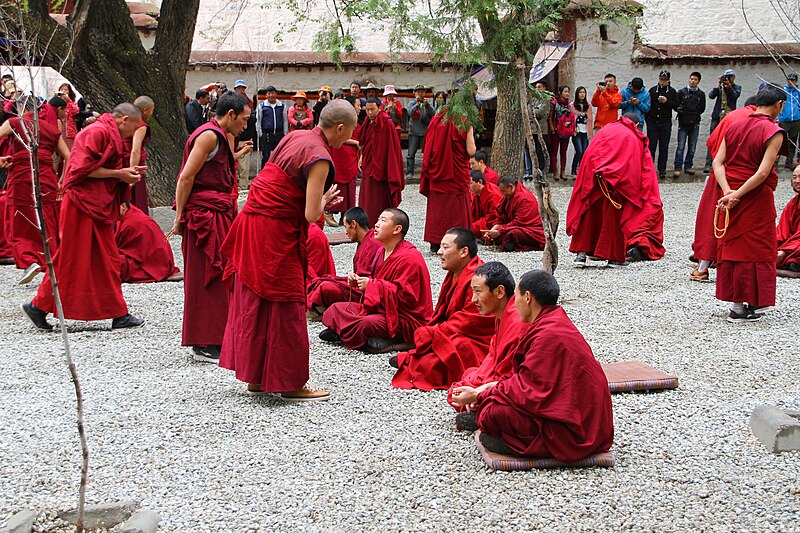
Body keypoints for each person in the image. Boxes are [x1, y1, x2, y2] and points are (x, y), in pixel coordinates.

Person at [219, 99, 356, 401]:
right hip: (276, 232)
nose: (348, 140)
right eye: (349, 134)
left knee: (256, 300)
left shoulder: (296, 135)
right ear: (341, 128)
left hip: (252, 222)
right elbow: (310, 214)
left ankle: (256, 377)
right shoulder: (320, 156)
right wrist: (325, 202)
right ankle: (290, 382)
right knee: (287, 302)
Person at [451, 270, 613, 461]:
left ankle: (531, 444)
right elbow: (528, 380)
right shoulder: (551, 321)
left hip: (576, 429)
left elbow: (529, 389)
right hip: (580, 417)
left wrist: (481, 394)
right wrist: (488, 388)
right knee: (490, 403)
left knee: (493, 413)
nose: (514, 303)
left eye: (517, 296)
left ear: (527, 297)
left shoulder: (547, 334)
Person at [22, 103, 146, 331]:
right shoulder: (95, 132)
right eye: (135, 127)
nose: (134, 133)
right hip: (81, 204)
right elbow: (79, 170)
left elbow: (101, 169)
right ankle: (38, 306)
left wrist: (125, 176)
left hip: (95, 204)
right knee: (71, 257)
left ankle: (118, 313)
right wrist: (119, 174)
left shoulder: (110, 133)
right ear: (125, 120)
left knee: (105, 258)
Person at [170, 91, 251, 363]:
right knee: (206, 277)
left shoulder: (220, 136)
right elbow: (186, 177)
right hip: (204, 217)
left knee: (219, 276)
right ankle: (204, 342)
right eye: (244, 119)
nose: (245, 125)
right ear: (230, 114)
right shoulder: (207, 136)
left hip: (216, 212)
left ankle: (216, 335)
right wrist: (179, 217)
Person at [713, 85, 786, 323]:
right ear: (779, 105)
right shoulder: (773, 131)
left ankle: (736, 305)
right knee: (757, 246)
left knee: (734, 246)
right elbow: (763, 172)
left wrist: (727, 191)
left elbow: (718, 162)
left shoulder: (733, 124)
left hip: (730, 192)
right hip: (753, 196)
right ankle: (753, 301)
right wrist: (738, 194)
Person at [391, 228, 497, 390]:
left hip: (479, 340)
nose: (440, 252)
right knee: (431, 346)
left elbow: (470, 321)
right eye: (440, 247)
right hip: (457, 332)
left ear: (464, 252)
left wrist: (434, 332)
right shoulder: (456, 272)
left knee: (435, 360)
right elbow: (444, 312)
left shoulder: (477, 278)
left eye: (446, 247)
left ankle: (415, 359)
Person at [320, 208, 433, 353]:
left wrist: (372, 286)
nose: (377, 224)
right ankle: (357, 335)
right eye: (378, 219)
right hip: (382, 310)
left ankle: (354, 334)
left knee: (366, 323)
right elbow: (378, 281)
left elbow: (408, 299)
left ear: (397, 229)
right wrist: (362, 282)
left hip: (405, 318)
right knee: (334, 309)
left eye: (383, 221)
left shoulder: (410, 259)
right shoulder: (381, 252)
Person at [567, 113, 665, 267]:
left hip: (593, 176)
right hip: (616, 181)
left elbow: (591, 153)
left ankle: (581, 254)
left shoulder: (606, 129)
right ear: (637, 124)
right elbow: (639, 166)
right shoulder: (633, 136)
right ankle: (614, 258)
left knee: (589, 213)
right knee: (612, 218)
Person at [446, 262, 529, 432]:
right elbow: (492, 358)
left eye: (478, 292)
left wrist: (479, 393)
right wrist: (477, 386)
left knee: (489, 405)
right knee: (466, 378)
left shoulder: (518, 321)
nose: (473, 299)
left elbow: (516, 379)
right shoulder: (503, 315)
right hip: (501, 381)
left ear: (499, 292)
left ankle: (483, 414)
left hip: (517, 387)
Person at [0, 98, 69, 284]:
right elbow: (68, 156)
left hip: (22, 177)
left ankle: (29, 261)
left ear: (22, 108)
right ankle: (53, 265)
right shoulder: (52, 130)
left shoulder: (15, 122)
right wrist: (62, 180)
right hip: (46, 178)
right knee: (47, 220)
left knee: (21, 219)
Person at [689, 99, 757, 282]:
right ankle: (738, 271)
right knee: (747, 224)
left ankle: (703, 266)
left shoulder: (733, 117)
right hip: (749, 178)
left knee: (713, 218)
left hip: (722, 174)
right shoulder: (764, 122)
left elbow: (712, 143)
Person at [420, 106, 476, 253]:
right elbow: (471, 151)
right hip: (456, 175)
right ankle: (459, 242)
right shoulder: (464, 121)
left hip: (437, 174)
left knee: (438, 209)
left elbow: (426, 147)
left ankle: (435, 242)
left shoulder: (435, 121)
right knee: (456, 209)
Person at [307, 206, 382, 316]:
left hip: (367, 289)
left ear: (354, 224)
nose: (346, 232)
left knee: (325, 287)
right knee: (322, 281)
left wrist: (356, 280)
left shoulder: (374, 243)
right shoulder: (365, 241)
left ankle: (320, 308)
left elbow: (372, 277)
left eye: (346, 227)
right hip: (358, 285)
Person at [358, 97, 404, 225]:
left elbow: (391, 148)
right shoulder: (367, 122)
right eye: (367, 109)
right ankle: (367, 225)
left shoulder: (386, 122)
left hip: (382, 168)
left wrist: (389, 168)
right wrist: (362, 157)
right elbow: (364, 143)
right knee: (367, 198)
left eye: (372, 109)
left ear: (380, 108)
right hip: (368, 165)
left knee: (379, 200)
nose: (369, 112)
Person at [116, 201, 180, 283]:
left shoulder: (131, 222)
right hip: (155, 262)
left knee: (106, 262)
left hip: (150, 266)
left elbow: (121, 250)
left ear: (124, 206)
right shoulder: (129, 214)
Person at [484, 175, 545, 252]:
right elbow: (500, 216)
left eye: (503, 192)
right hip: (514, 226)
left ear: (511, 187)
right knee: (503, 235)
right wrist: (492, 231)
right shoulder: (508, 195)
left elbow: (519, 222)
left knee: (513, 234)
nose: (503, 194)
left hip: (532, 230)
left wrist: (500, 231)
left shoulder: (524, 199)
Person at [327, 96, 361, 226]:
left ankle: (345, 215)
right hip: (341, 153)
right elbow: (339, 135)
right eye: (358, 105)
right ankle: (329, 211)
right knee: (338, 181)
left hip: (351, 154)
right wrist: (356, 142)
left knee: (350, 185)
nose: (360, 108)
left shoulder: (356, 119)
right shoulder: (343, 119)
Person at [704, 69, 743, 173]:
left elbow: (734, 96)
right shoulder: (720, 88)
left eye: (730, 77)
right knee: (713, 139)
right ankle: (709, 163)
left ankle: (726, 163)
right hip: (717, 116)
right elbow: (711, 96)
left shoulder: (737, 88)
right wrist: (718, 85)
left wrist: (729, 86)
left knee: (728, 140)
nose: (728, 79)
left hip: (729, 117)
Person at [646, 71, 679, 180]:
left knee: (664, 147)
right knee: (651, 147)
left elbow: (676, 106)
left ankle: (662, 170)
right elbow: (648, 105)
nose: (662, 82)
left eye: (665, 80)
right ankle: (650, 169)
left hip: (665, 122)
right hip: (653, 122)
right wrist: (648, 121)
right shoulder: (652, 90)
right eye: (661, 79)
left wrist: (667, 101)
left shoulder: (672, 91)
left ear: (668, 80)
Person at [123, 95, 153, 214]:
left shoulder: (125, 119)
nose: (151, 114)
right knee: (135, 200)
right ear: (145, 110)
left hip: (120, 162)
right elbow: (135, 150)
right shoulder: (140, 125)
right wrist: (133, 172)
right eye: (151, 110)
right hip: (133, 164)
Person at [674, 72, 706, 178]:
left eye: (695, 79)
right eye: (691, 79)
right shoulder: (681, 92)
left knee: (692, 146)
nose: (692, 81)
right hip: (683, 123)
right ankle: (678, 167)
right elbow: (676, 105)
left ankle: (688, 166)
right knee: (681, 146)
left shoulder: (701, 94)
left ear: (698, 81)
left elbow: (702, 108)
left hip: (695, 122)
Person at [406, 84, 434, 179]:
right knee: (411, 154)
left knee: (427, 154)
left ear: (424, 93)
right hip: (413, 132)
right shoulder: (411, 103)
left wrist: (428, 106)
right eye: (418, 92)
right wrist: (417, 105)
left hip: (425, 132)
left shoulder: (427, 103)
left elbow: (433, 114)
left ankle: (426, 172)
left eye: (422, 92)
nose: (420, 94)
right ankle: (410, 172)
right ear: (414, 93)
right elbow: (409, 113)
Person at [233, 80, 257, 188]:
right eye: (239, 88)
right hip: (232, 137)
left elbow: (253, 120)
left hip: (244, 137)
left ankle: (243, 187)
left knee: (244, 166)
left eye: (242, 88)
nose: (241, 90)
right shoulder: (231, 102)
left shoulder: (249, 103)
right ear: (235, 89)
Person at [549, 85, 576, 180]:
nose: (567, 93)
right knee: (554, 152)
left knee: (563, 152)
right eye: (565, 91)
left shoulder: (568, 105)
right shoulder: (554, 103)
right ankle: (555, 171)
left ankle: (563, 171)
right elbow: (550, 116)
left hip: (566, 130)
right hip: (556, 130)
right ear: (560, 92)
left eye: (568, 91)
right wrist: (552, 129)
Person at [777, 165, 800, 271]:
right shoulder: (793, 203)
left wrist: (785, 250)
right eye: (794, 177)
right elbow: (782, 230)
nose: (797, 181)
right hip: (793, 243)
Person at [257, 85, 286, 168]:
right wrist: (260, 134)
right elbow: (259, 120)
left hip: (279, 133)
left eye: (273, 93)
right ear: (266, 95)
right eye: (269, 93)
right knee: (266, 155)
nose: (271, 95)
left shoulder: (282, 105)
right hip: (266, 134)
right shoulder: (262, 106)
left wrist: (285, 133)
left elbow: (285, 120)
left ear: (276, 94)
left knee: (279, 155)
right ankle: (264, 174)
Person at [526, 80, 551, 177]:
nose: (537, 89)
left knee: (540, 150)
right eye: (536, 87)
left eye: (539, 87)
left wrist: (533, 111)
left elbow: (541, 112)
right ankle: (531, 170)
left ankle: (541, 170)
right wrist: (533, 111)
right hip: (532, 129)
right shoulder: (533, 99)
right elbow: (528, 110)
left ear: (544, 88)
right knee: (532, 150)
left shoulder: (546, 99)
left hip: (541, 129)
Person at [468, 170, 502, 238]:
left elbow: (494, 218)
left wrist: (472, 226)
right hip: (484, 221)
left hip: (494, 224)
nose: (468, 186)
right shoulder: (477, 195)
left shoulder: (492, 194)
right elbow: (473, 214)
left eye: (470, 183)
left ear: (480, 182)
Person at [778, 73, 800, 169]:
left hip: (796, 120)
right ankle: (775, 162)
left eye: (792, 80)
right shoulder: (783, 91)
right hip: (784, 120)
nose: (790, 82)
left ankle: (789, 161)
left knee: (793, 141)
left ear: (796, 81)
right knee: (779, 141)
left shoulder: (798, 92)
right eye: (788, 80)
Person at [571, 86, 593, 176]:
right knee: (579, 151)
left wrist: (590, 133)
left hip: (585, 131)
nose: (582, 94)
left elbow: (590, 119)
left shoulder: (588, 106)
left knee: (584, 152)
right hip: (576, 132)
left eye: (583, 92)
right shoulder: (572, 105)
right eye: (580, 92)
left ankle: (582, 171)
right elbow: (571, 118)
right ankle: (573, 169)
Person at [57, 83, 80, 150]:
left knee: (69, 152)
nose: (63, 91)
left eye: (66, 90)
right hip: (59, 130)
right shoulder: (57, 102)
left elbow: (76, 111)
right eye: (61, 90)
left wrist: (68, 100)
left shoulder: (71, 103)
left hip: (69, 133)